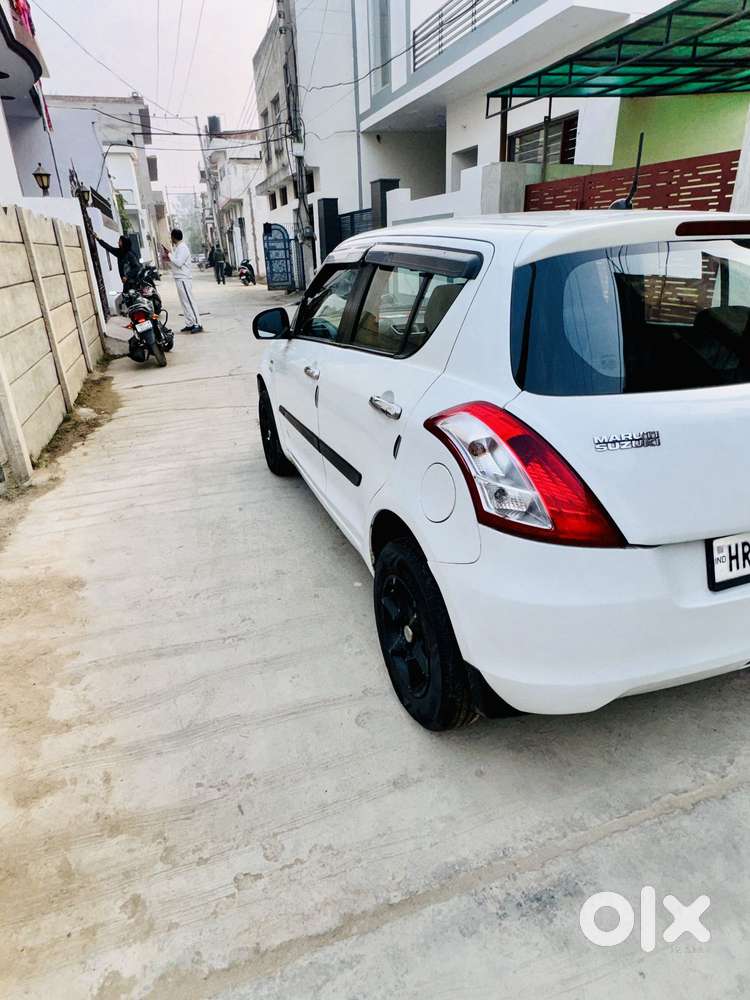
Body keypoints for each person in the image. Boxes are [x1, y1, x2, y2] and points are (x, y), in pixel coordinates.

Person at [162, 228, 203, 333]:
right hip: (179, 277)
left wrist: (169, 255)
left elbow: (179, 262)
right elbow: (175, 263)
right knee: (184, 302)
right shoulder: (178, 248)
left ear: (174, 237)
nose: (170, 239)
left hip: (184, 278)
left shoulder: (183, 248)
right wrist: (168, 258)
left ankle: (197, 324)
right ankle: (190, 323)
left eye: (171, 237)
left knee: (189, 301)